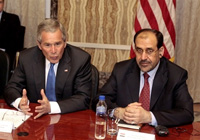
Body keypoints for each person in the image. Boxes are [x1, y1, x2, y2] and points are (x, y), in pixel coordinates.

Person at [92, 28, 194, 127]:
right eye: (139, 50)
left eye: (149, 51)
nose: (143, 57)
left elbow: (187, 113)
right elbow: (99, 100)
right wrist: (118, 112)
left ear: (160, 51)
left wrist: (149, 117)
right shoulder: (121, 70)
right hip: (125, 132)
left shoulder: (175, 75)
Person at [4, 19, 92, 119]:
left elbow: (83, 98)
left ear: (65, 42)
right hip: (35, 118)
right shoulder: (27, 58)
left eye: (58, 44)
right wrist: (19, 102)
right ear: (39, 45)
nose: (53, 51)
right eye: (47, 45)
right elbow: (11, 87)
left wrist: (51, 107)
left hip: (68, 119)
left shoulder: (80, 60)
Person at [0, 0, 21, 72]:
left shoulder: (12, 19)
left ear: (3, 3)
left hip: (4, 56)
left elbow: (15, 43)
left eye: (0, 2)